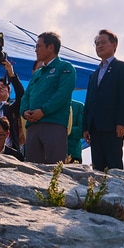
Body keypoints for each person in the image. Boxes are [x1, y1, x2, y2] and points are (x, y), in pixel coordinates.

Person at [20, 31, 76, 164]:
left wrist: (43, 111)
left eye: (39, 46)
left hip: (54, 125)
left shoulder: (65, 68)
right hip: (33, 127)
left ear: (50, 47)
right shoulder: (37, 73)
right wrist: (24, 111)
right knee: (32, 170)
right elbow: (26, 96)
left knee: (53, 170)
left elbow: (62, 94)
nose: (36, 50)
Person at [83, 29, 124, 171]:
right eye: (97, 44)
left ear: (114, 45)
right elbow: (88, 102)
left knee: (114, 165)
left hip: (113, 126)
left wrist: (123, 122)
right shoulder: (94, 74)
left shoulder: (123, 67)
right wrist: (86, 127)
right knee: (97, 167)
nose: (99, 46)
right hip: (95, 127)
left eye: (103, 42)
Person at [0, 69, 25, 154]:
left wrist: (12, 75)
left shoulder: (12, 109)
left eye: (4, 86)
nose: (0, 87)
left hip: (8, 151)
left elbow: (21, 95)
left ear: (8, 94)